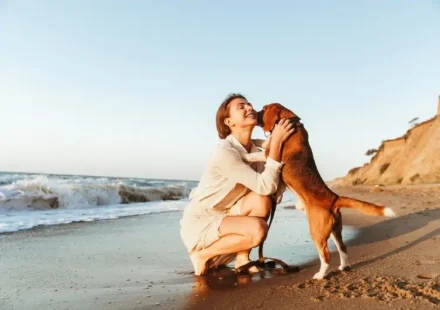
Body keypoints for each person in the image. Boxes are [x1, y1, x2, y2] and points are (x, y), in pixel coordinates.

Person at [180, 93, 294, 275]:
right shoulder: (224, 151)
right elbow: (266, 185)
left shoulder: (256, 148)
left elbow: (270, 188)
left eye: (249, 104)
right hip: (203, 220)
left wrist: (277, 142)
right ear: (228, 122)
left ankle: (242, 259)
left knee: (262, 200)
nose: (249, 108)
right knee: (258, 230)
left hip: (229, 214)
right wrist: (277, 143)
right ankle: (202, 255)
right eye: (241, 107)